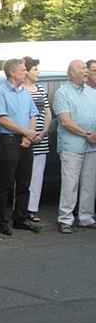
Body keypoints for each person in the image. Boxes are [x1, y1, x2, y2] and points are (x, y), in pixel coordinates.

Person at [0, 59, 41, 236]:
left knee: (24, 181)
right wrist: (26, 132)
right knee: (5, 182)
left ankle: (20, 218)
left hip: (25, 140)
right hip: (8, 140)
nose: (25, 72)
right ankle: (1, 221)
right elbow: (2, 119)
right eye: (22, 70)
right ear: (12, 73)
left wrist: (29, 134)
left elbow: (33, 114)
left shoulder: (25, 92)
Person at [53, 60, 96, 233]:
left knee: (89, 183)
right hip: (72, 145)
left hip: (92, 145)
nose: (86, 71)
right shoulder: (62, 93)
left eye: (86, 68)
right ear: (71, 73)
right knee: (70, 183)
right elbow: (65, 121)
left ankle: (86, 217)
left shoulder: (92, 92)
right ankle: (65, 219)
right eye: (82, 68)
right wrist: (87, 134)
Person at [22, 57, 51, 222]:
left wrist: (44, 132)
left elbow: (47, 112)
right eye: (35, 69)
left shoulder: (40, 88)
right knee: (23, 174)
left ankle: (32, 209)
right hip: (25, 137)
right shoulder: (20, 90)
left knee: (37, 175)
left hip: (41, 138)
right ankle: (20, 208)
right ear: (26, 71)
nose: (38, 72)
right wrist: (29, 134)